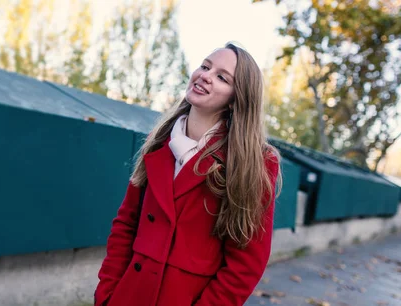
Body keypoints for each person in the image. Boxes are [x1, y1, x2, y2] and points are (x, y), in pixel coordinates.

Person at [94, 42, 282, 306]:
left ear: (236, 98)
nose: (205, 75)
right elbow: (126, 224)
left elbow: (246, 265)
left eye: (221, 77)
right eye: (205, 66)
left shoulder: (255, 162)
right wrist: (107, 294)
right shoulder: (157, 143)